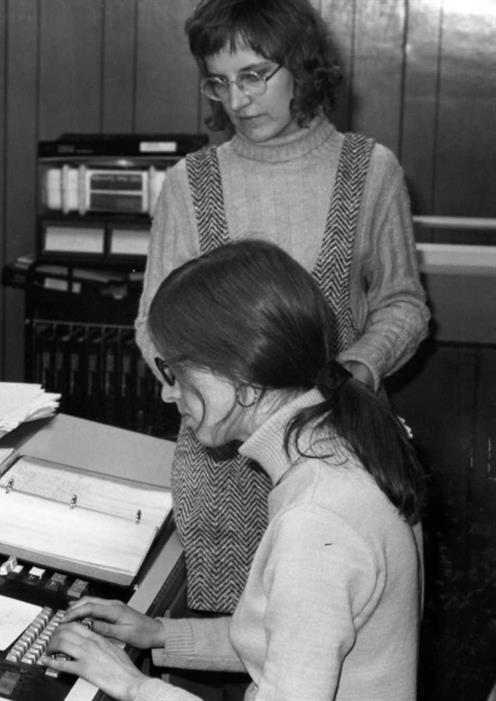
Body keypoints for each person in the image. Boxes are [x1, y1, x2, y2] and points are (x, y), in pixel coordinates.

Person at [133, 0, 430, 614]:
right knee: (224, 640)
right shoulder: (191, 182)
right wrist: (198, 391)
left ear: (301, 68)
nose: (235, 100)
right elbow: (152, 325)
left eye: (253, 76)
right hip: (221, 465)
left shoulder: (370, 171)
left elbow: (404, 305)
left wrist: (353, 373)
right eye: (218, 81)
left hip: (337, 449)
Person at [43, 239, 424, 701]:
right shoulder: (339, 449)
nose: (168, 394)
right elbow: (291, 639)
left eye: (176, 372)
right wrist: (158, 634)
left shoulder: (317, 519)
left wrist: (130, 684)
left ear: (242, 380)